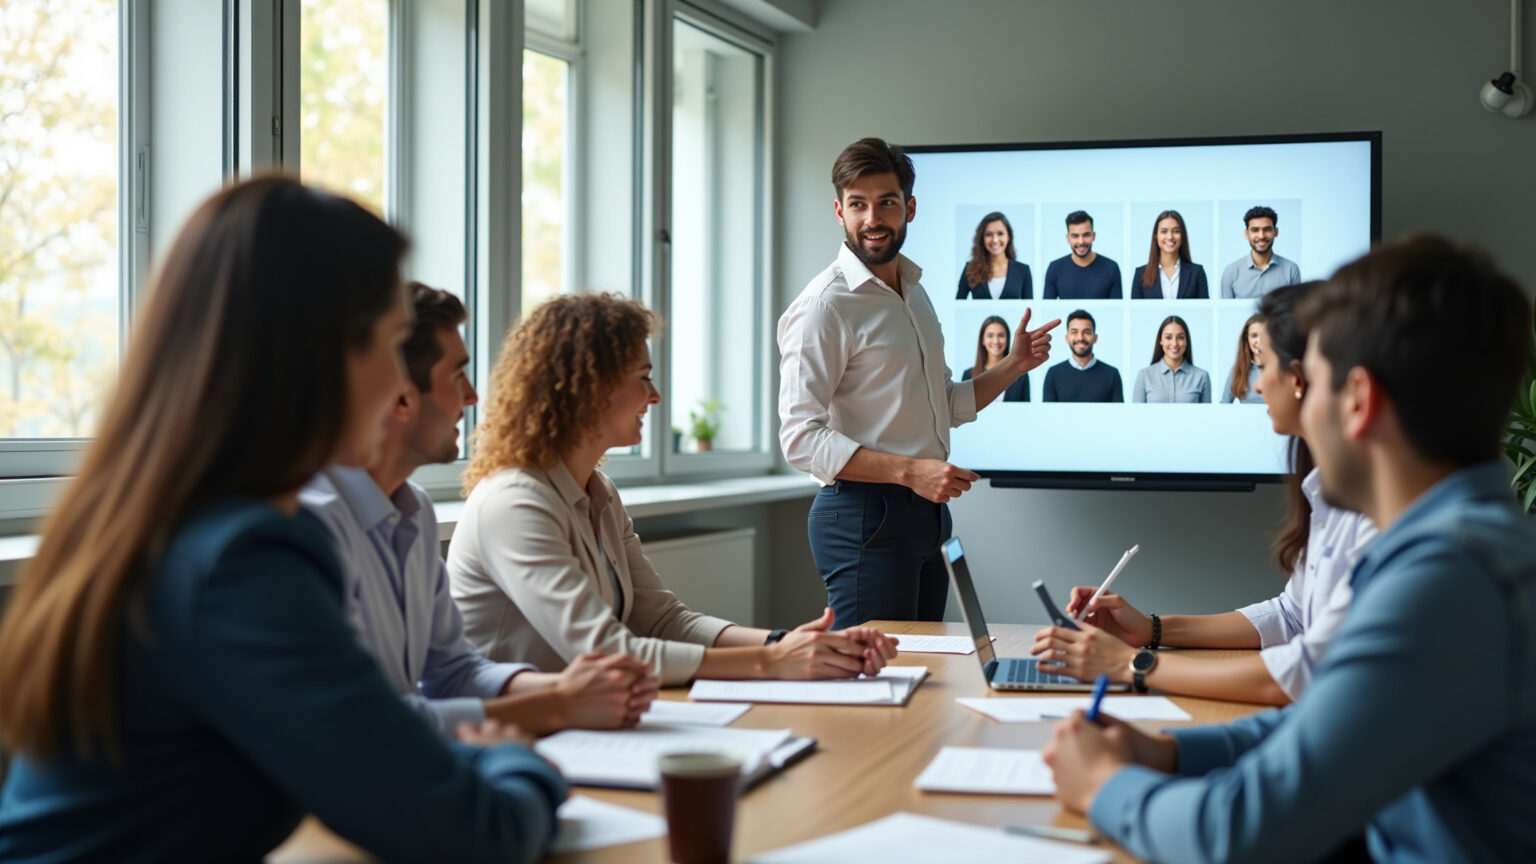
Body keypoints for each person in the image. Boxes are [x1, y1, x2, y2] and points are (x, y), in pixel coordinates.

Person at [0, 178, 565, 864]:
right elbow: (476, 836)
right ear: (317, 355)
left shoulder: (169, 522)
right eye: (391, 344)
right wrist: (516, 762)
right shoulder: (245, 558)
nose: (399, 386)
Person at [1042, 236, 1536, 863]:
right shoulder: (1463, 545)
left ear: (1358, 401)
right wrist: (1168, 753)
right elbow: (1335, 723)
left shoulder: (1447, 576)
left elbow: (1239, 834)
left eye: (1317, 378)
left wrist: (1105, 785)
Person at [449, 293, 899, 687]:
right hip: (514, 737)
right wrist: (773, 661)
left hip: (590, 722)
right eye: (642, 376)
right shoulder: (514, 502)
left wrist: (790, 642)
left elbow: (663, 621)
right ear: (588, 389)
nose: (655, 395)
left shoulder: (598, 491)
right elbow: (608, 651)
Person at [301, 282, 658, 737]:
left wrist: (569, 689)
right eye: (457, 376)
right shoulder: (313, 527)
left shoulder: (413, 510)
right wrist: (557, 704)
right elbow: (357, 723)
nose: (472, 396)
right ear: (401, 397)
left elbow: (452, 669)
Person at [1032, 283, 1375, 705]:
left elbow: (1306, 673)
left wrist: (1131, 665)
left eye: (1264, 364)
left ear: (1301, 378)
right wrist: (1153, 630)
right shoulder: (1326, 494)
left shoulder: (1371, 514)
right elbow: (1291, 616)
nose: (1260, 385)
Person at [776, 137, 1058, 628]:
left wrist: (1013, 365)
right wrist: (910, 472)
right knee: (874, 679)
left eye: (886, 202)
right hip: (864, 514)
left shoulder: (914, 293)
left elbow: (945, 404)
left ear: (909, 208)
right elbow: (799, 438)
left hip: (925, 515)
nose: (873, 218)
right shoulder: (826, 305)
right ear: (839, 210)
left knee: (924, 668)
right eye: (858, 205)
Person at [1041, 309, 1124, 403]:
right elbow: (1048, 416)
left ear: (1095, 338)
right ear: (1067, 338)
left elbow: (1118, 416)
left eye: (1087, 332)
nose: (1080, 337)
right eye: (1074, 332)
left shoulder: (1112, 374)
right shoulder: (1053, 374)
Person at [1220, 205, 1301, 299]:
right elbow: (1226, 312)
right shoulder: (1231, 271)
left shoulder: (1291, 269)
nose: (1261, 236)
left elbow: (1296, 311)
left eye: (1267, 229)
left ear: (1276, 232)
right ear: (1246, 234)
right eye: (1255, 230)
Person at [1042, 210, 1123, 299]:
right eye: (1075, 236)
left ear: (1093, 236)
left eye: (1086, 235)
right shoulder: (1055, 268)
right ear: (1068, 238)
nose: (1081, 241)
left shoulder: (1111, 268)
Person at [1131, 210, 1209, 299]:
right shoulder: (1140, 274)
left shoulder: (1197, 273)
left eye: (1176, 231)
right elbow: (1137, 312)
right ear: (1156, 236)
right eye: (1164, 231)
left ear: (1182, 235)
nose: (1170, 237)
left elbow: (1204, 311)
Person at [1131, 315, 1211, 403]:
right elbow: (1136, 415)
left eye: (1180, 337)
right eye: (1168, 337)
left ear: (1186, 341)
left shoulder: (1202, 376)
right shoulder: (1144, 376)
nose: (1174, 343)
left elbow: (1206, 415)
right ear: (1160, 340)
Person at [956, 211, 1032, 299]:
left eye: (1000, 234)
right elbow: (958, 304)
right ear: (982, 238)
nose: (995, 240)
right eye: (989, 234)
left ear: (1008, 237)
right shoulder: (970, 269)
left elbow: (1030, 308)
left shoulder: (1023, 271)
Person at [961, 315, 1029, 401]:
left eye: (1001, 335)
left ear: (1007, 339)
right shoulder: (968, 376)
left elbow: (1025, 412)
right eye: (990, 336)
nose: (996, 341)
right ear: (982, 340)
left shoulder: (1021, 376)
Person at [1220, 313, 1265, 404]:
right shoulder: (1237, 370)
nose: (1259, 341)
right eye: (1254, 336)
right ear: (1246, 339)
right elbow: (1224, 406)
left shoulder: (1281, 369)